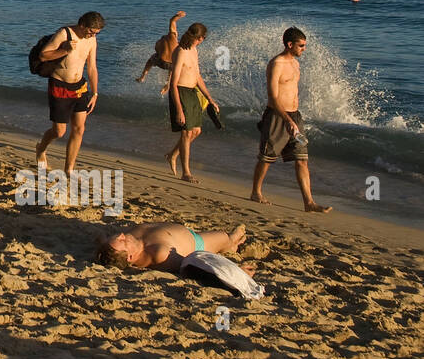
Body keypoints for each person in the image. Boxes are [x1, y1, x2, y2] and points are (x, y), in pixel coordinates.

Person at [251, 27, 331, 212]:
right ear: (289, 44)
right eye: (301, 46)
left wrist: (293, 118)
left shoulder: (295, 63)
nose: (304, 49)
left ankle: (309, 202)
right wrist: (286, 119)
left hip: (295, 116)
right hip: (277, 117)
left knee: (302, 159)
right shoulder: (276, 63)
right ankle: (256, 192)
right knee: (267, 158)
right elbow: (272, 97)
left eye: (304, 45)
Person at [34, 11, 104, 176]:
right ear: (82, 25)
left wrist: (95, 93)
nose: (93, 35)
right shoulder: (64, 33)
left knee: (79, 129)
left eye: (96, 33)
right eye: (91, 31)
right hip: (59, 86)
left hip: (80, 87)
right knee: (59, 132)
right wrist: (64, 50)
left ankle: (69, 170)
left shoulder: (92, 40)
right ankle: (41, 149)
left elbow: (92, 67)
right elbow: (43, 56)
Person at [165, 22, 219, 183]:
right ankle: (186, 172)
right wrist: (179, 110)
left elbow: (197, 77)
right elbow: (173, 84)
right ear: (199, 37)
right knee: (186, 132)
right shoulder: (181, 52)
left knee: (196, 131)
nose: (203, 40)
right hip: (180, 92)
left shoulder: (194, 50)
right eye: (203, 37)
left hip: (192, 92)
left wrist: (210, 98)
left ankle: (172, 154)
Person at [96, 222, 248, 272]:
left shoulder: (113, 247)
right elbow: (193, 264)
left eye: (118, 237)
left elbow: (102, 241)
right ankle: (233, 243)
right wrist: (235, 271)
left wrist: (103, 241)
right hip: (197, 242)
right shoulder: (159, 254)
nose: (122, 235)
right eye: (122, 241)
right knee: (225, 237)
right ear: (130, 257)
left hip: (173, 233)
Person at [137, 10, 186, 94]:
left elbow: (172, 20)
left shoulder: (159, 42)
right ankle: (168, 83)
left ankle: (142, 76)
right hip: (171, 64)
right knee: (174, 63)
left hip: (161, 62)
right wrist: (178, 16)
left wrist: (177, 16)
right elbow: (173, 21)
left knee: (151, 60)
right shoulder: (173, 36)